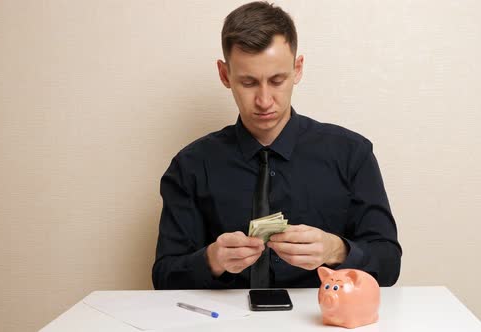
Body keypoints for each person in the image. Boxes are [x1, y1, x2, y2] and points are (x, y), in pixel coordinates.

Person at [152, 1, 401, 290]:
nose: (264, 100)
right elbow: (163, 277)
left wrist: (336, 249)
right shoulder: (191, 165)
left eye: (277, 80)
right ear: (224, 75)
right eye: (248, 82)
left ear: (297, 69)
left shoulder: (352, 154)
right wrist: (211, 260)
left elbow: (389, 264)